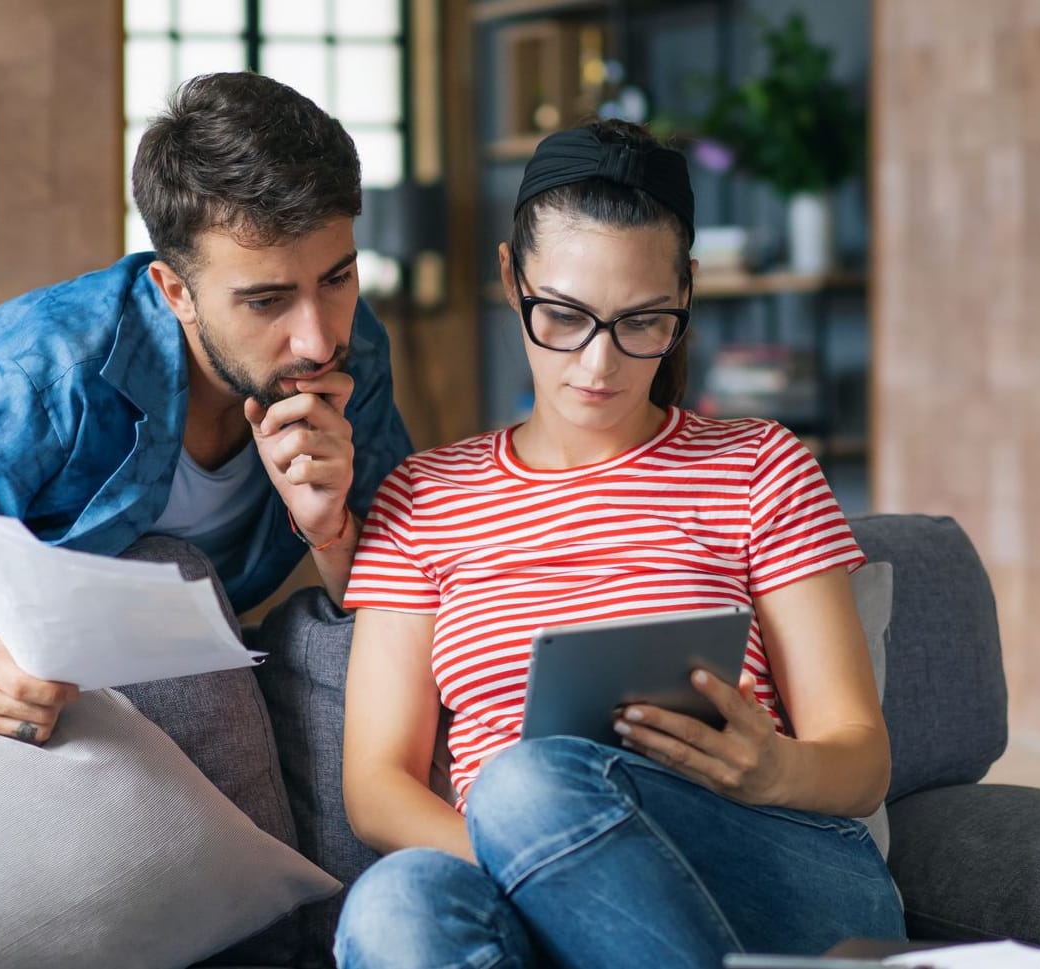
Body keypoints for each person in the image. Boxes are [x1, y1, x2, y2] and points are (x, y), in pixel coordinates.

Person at [335, 119, 904, 967]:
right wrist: (533, 859)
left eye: (643, 321)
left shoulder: (759, 464)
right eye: (562, 315)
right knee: (394, 904)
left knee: (524, 780)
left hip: (772, 859)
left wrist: (771, 769)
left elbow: (860, 759)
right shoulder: (424, 497)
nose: (599, 364)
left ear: (687, 295)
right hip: (525, 869)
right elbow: (375, 786)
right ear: (508, 276)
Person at [0, 71, 411, 746]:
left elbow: (408, 592)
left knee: (351, 646)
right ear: (175, 292)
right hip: (6, 691)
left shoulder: (351, 347)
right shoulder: (47, 364)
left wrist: (329, 530)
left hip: (192, 672)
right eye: (266, 300)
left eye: (337, 277)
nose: (318, 337)